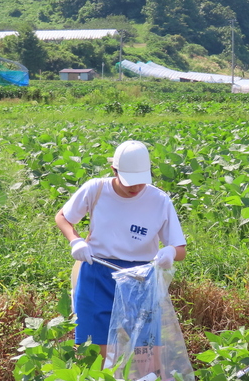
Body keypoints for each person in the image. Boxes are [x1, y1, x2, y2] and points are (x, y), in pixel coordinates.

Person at [55, 140, 187, 359]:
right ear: (114, 170)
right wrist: (75, 240)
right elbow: (62, 217)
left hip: (140, 279)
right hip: (98, 272)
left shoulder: (159, 200)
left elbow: (180, 249)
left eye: (140, 182)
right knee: (93, 349)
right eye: (129, 182)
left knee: (144, 351)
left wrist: (171, 252)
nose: (135, 188)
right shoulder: (95, 189)